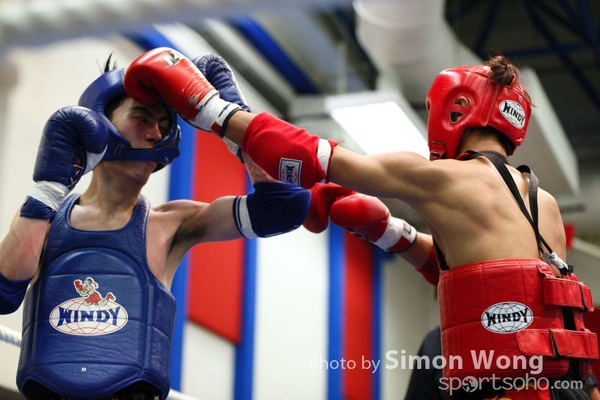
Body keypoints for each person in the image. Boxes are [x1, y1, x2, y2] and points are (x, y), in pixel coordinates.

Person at [122, 47, 599, 399]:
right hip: (566, 390)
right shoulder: (543, 203)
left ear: (457, 109)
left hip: (504, 391)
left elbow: (307, 155)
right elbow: (493, 285)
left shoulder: (446, 178)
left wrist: (211, 108)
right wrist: (391, 232)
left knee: (436, 350)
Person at [0, 54, 310, 400]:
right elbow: (3, 293)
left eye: (164, 124)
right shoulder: (45, 217)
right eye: (142, 118)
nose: (156, 134)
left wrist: (233, 122)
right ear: (99, 125)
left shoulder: (175, 223)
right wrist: (47, 189)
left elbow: (284, 207)